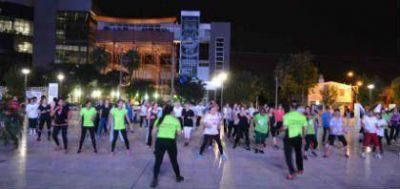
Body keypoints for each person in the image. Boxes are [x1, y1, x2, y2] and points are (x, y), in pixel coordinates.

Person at [150, 105, 184, 188]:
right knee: (174, 160)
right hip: (170, 142)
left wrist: (153, 143)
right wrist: (176, 133)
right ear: (171, 112)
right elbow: (179, 133)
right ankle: (178, 177)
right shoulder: (175, 120)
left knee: (158, 161)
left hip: (160, 141)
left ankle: (154, 179)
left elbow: (153, 132)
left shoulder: (159, 119)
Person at [282, 101, 307, 180]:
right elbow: (305, 128)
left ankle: (292, 172)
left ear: (290, 107)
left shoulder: (287, 116)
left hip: (289, 137)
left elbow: (285, 127)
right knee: (298, 153)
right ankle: (300, 169)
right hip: (298, 137)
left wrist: (279, 129)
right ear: (297, 108)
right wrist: (303, 137)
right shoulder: (302, 117)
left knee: (288, 156)